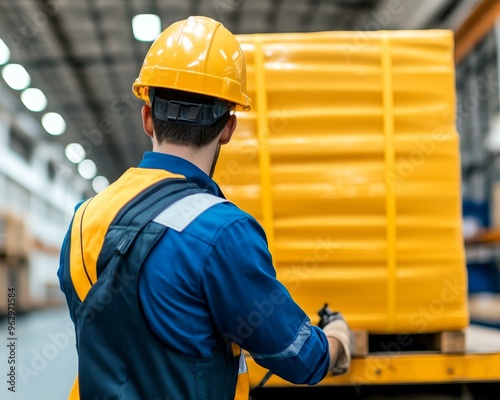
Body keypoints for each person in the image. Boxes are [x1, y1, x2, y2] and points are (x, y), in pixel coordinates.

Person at [58, 15, 353, 400]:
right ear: (228, 127)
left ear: (147, 118)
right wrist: (337, 338)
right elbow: (299, 357)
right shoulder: (222, 231)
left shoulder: (83, 220)